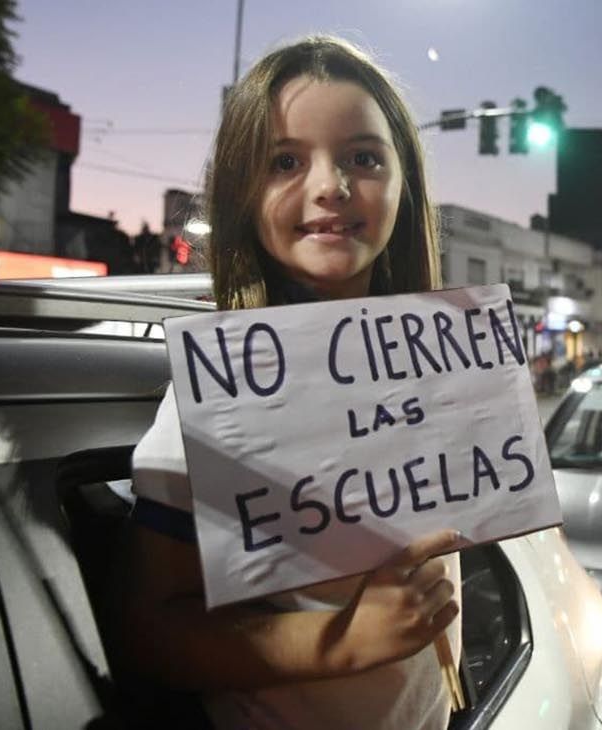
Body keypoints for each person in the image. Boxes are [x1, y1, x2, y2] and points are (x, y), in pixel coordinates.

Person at [113, 36, 461, 730]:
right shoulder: (215, 394)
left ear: (404, 184)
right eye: (285, 161)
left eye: (363, 157)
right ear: (245, 194)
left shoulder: (442, 369)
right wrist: (344, 643)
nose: (330, 185)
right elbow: (152, 633)